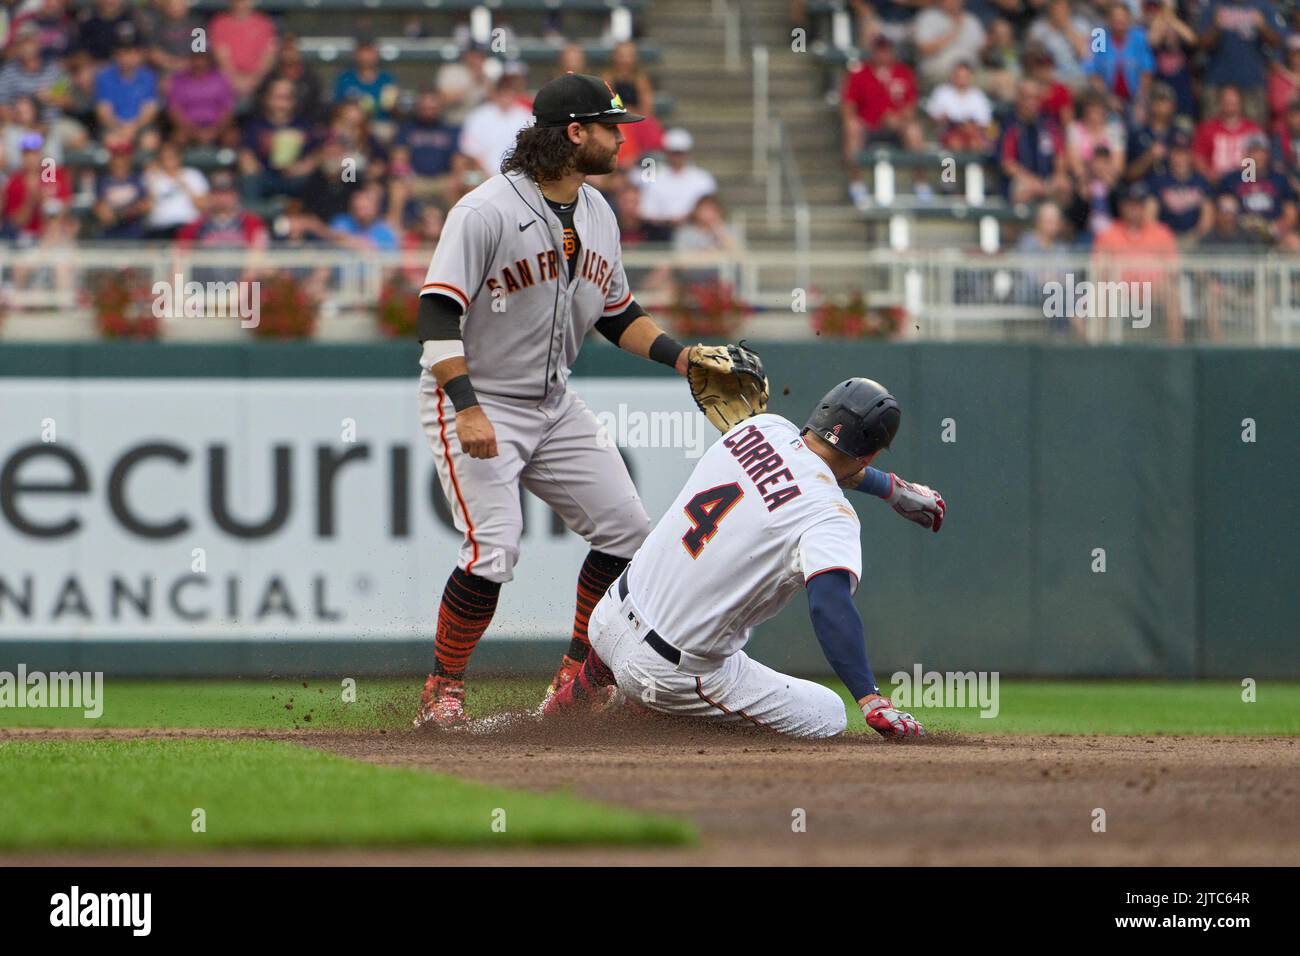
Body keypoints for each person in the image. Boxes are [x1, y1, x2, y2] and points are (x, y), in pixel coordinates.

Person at [411, 73, 758, 728]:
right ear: (575, 133)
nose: (621, 140)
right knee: (494, 549)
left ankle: (575, 675)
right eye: (609, 128)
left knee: (632, 538)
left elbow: (617, 313)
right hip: (477, 394)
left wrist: (682, 356)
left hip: (552, 402)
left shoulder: (599, 212)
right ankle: (441, 691)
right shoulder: (484, 210)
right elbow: (435, 314)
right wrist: (466, 405)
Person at [542, 378, 943, 739]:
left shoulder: (759, 428)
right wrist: (870, 699)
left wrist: (890, 488)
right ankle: (640, 712)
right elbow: (830, 606)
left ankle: (572, 700)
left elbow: (815, 463)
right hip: (664, 671)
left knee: (660, 614)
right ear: (869, 457)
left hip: (609, 614)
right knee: (829, 715)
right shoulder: (830, 517)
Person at [637, 127, 717, 241]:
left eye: (681, 153)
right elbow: (646, 211)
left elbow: (711, 211)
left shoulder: (703, 178)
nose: (677, 157)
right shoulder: (653, 176)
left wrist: (688, 218)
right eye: (674, 152)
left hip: (695, 231)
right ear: (667, 152)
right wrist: (668, 220)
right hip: (661, 232)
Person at [457, 66, 533, 177]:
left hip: (518, 175)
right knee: (468, 179)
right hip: (481, 175)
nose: (505, 96)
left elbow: (529, 151)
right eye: (502, 91)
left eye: (508, 91)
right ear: (494, 92)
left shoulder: (525, 115)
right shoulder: (477, 116)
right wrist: (486, 176)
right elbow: (470, 152)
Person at [93, 31, 159, 149]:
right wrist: (120, 128)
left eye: (131, 54)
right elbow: (103, 111)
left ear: (139, 55)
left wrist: (133, 127)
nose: (126, 58)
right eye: (122, 54)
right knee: (113, 142)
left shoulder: (148, 76)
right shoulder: (104, 76)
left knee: (150, 141)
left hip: (140, 125)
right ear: (116, 55)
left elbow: (150, 109)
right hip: (113, 126)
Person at [208, 0, 278, 100]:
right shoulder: (219, 23)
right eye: (237, 1)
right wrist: (236, 81)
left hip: (259, 82)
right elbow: (222, 59)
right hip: (226, 81)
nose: (241, 4)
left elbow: (267, 57)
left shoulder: (264, 24)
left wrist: (254, 80)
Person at [1193, 84, 1265, 180]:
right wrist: (1210, 176)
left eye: (1233, 100)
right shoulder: (1207, 129)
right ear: (1220, 103)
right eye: (1226, 100)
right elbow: (1199, 157)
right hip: (1216, 184)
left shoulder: (1253, 130)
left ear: (1241, 102)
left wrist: (1248, 180)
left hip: (1246, 182)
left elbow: (1261, 159)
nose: (1230, 103)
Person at [166, 49, 235, 146]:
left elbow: (227, 109)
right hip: (188, 127)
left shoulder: (221, 79)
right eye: (196, 58)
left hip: (216, 127)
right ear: (191, 60)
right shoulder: (179, 80)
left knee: (231, 138)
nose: (199, 62)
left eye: (203, 59)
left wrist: (215, 130)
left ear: (209, 60)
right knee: (178, 138)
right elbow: (174, 110)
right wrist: (192, 130)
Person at [912, 0, 986, 89]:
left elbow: (982, 51)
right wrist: (952, 34)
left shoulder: (971, 20)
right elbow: (924, 50)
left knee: (1002, 78)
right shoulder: (928, 17)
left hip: (971, 73)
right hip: (938, 73)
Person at [143, 140, 208, 239]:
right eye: (163, 158)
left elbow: (203, 206)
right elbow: (148, 209)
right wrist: (152, 182)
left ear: (179, 158)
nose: (167, 161)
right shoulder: (152, 177)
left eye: (171, 157)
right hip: (160, 226)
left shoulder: (193, 175)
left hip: (187, 225)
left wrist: (184, 185)